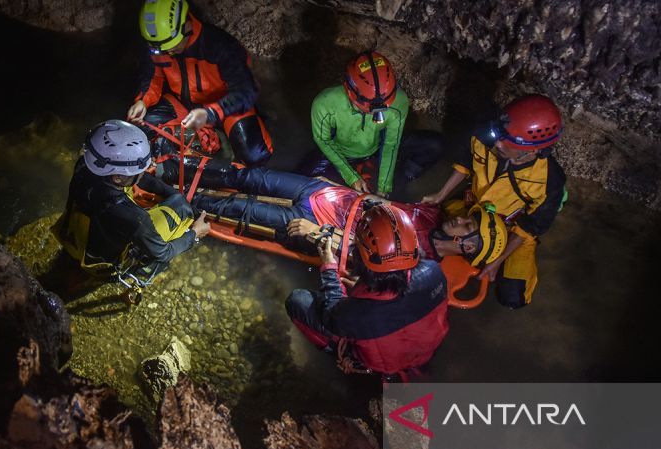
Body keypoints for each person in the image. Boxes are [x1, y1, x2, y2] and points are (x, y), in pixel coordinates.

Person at [155, 155, 507, 269]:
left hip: (317, 226)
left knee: (238, 209)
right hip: (328, 194)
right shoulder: (435, 213)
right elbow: (472, 168)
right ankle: (172, 169)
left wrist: (318, 235)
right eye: (467, 216)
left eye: (466, 226)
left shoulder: (418, 261)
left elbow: (363, 261)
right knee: (251, 176)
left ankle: (170, 195)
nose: (460, 218)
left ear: (468, 247)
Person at [421, 94, 566, 309]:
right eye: (499, 133)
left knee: (512, 297)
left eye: (506, 140)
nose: (497, 142)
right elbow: (465, 162)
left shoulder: (548, 180)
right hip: (475, 210)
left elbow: (531, 226)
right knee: (432, 221)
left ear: (533, 149)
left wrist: (496, 261)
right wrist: (440, 194)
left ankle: (507, 264)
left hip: (512, 227)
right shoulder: (487, 134)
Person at [286, 204, 449, 377]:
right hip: (423, 353)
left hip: (382, 364)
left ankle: (337, 351)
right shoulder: (434, 271)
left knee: (297, 301)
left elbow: (332, 315)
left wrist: (329, 267)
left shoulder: (357, 314)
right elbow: (399, 299)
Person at [126, 0, 273, 166]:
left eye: (172, 48)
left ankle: (222, 139)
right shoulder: (159, 45)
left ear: (186, 27)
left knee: (254, 155)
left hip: (225, 108)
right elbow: (153, 75)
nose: (168, 53)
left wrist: (210, 114)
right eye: (163, 50)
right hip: (185, 105)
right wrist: (143, 101)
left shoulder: (219, 46)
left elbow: (246, 91)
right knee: (138, 128)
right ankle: (198, 142)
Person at [52, 120, 210, 279]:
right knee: (181, 207)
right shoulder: (134, 218)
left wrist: (170, 192)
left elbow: (141, 179)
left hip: (76, 241)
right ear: (118, 177)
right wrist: (195, 233)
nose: (146, 170)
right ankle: (140, 268)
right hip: (104, 265)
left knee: (173, 198)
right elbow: (163, 252)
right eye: (141, 169)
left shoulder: (87, 165)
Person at [297, 51, 444, 197]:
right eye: (370, 109)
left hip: (377, 148)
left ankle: (400, 179)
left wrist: (383, 187)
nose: (375, 114)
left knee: (434, 145)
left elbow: (390, 144)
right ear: (350, 91)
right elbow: (324, 140)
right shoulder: (326, 102)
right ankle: (352, 176)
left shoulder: (399, 101)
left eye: (382, 108)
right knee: (300, 185)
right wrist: (351, 176)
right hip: (341, 151)